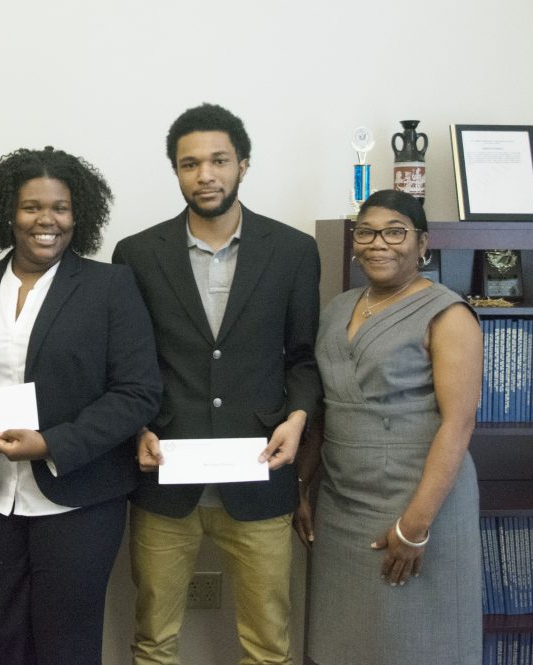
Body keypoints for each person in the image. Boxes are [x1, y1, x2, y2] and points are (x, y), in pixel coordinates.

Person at [111, 103, 321, 665]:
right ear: (175, 171)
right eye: (189, 164)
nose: (205, 174)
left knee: (268, 644)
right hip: (164, 480)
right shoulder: (135, 254)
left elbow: (303, 357)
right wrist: (136, 430)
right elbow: (126, 363)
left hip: (261, 475)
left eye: (219, 160)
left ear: (243, 165)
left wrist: (297, 420)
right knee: (154, 639)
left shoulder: (294, 251)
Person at [0, 146, 162, 665]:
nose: (47, 220)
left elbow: (138, 391)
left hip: (81, 499)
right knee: (10, 641)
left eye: (60, 207)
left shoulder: (110, 286)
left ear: (77, 214)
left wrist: (51, 444)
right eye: (31, 207)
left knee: (68, 646)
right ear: (7, 214)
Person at [295, 189, 483, 664]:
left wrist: (416, 524)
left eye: (395, 232)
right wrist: (301, 485)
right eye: (366, 232)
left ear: (422, 243)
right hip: (340, 504)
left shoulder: (449, 313)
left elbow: (458, 425)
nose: (378, 243)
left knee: (416, 643)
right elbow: (326, 408)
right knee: (342, 642)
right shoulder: (337, 308)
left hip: (418, 502)